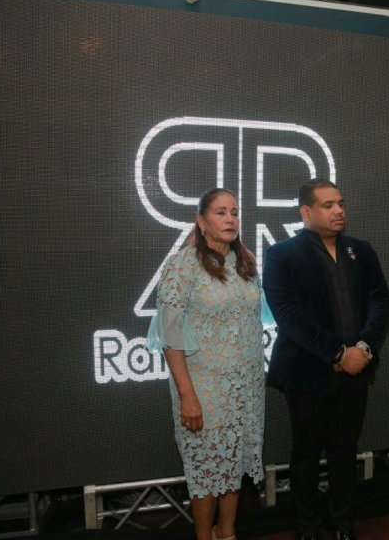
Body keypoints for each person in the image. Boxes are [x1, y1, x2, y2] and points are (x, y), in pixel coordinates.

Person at [263, 178, 389, 540]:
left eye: (340, 203)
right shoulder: (281, 254)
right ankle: (307, 529)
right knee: (306, 455)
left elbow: (381, 302)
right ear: (306, 212)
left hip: (356, 371)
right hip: (306, 374)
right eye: (328, 205)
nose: (339, 210)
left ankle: (343, 526)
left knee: (344, 452)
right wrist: (338, 353)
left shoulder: (361, 250)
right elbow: (287, 315)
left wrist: (363, 348)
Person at [147, 188, 264, 540]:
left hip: (246, 387)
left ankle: (226, 534)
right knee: (206, 471)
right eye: (220, 212)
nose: (230, 219)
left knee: (234, 464)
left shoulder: (244, 263)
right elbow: (170, 336)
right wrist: (188, 396)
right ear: (201, 221)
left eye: (234, 212)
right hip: (203, 389)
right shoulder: (182, 265)